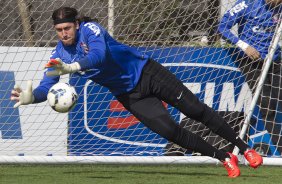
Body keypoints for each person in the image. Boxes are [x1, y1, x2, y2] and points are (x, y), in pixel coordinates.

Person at [11, 7, 263, 178]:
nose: (64, 33)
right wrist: (32, 97)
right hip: (130, 95)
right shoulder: (58, 54)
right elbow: (47, 85)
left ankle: (244, 148)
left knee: (196, 110)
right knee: (169, 131)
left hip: (148, 73)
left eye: (67, 27)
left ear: (76, 24)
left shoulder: (91, 29)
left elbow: (98, 57)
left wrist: (72, 67)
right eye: (59, 30)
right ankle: (223, 157)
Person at [218, 0, 282, 154]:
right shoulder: (246, 4)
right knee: (267, 107)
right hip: (251, 61)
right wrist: (245, 46)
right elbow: (222, 27)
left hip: (275, 58)